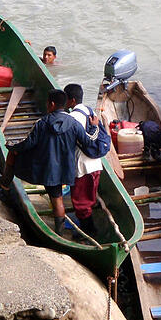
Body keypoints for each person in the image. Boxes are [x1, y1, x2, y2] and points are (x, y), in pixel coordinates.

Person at [0, 89, 102, 234]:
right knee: (57, 199)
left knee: (12, 154)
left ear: (51, 104)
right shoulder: (74, 123)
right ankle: (59, 232)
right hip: (65, 171)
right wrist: (94, 126)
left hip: (43, 169)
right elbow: (89, 141)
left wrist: (12, 146)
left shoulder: (42, 123)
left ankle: (5, 182)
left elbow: (28, 143)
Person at [63, 83, 103, 235]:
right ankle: (89, 228)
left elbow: (74, 142)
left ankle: (90, 234)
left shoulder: (72, 118)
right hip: (96, 165)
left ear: (71, 101)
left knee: (81, 204)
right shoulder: (89, 110)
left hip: (82, 167)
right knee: (88, 200)